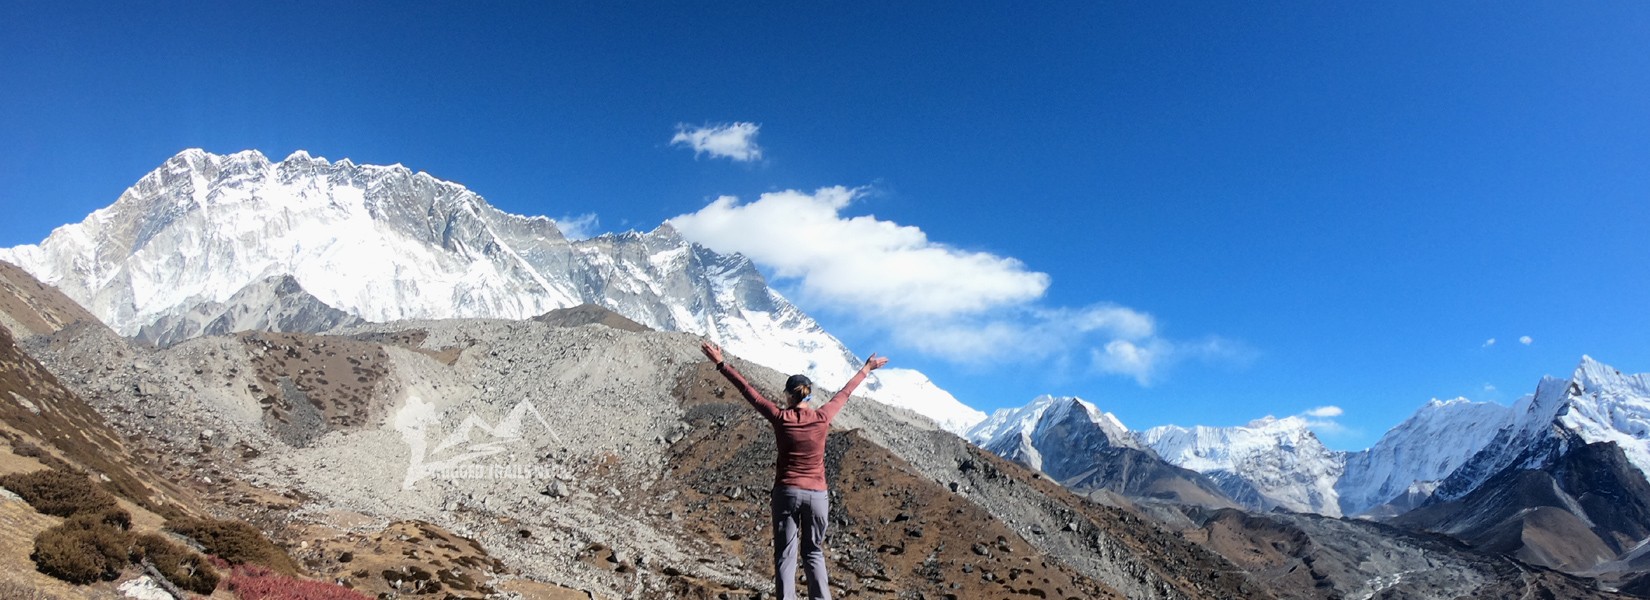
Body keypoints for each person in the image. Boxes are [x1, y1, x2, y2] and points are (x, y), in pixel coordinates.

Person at [700, 341, 888, 600]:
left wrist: (721, 364)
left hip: (786, 492)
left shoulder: (780, 417)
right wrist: (866, 368)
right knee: (813, 552)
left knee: (786, 554)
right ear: (809, 396)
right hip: (817, 496)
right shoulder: (823, 417)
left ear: (789, 396)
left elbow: (748, 392)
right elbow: (845, 393)